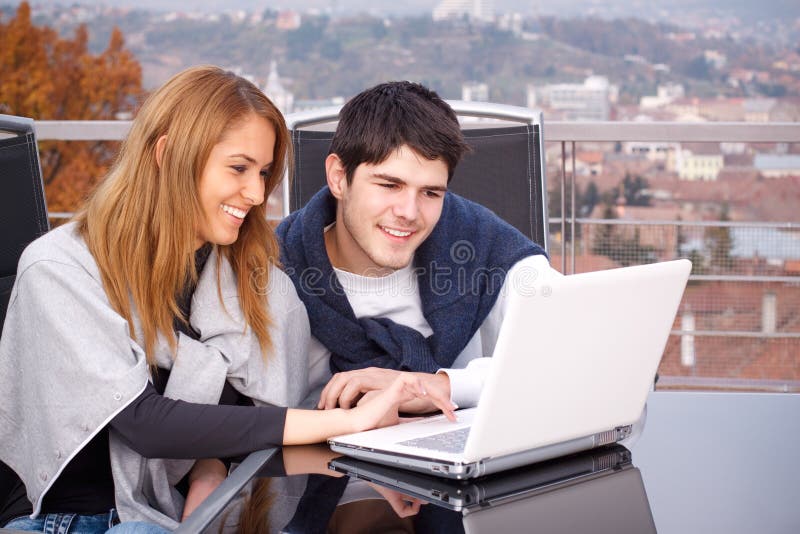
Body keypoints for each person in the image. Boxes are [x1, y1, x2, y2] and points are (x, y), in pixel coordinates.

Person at [0, 66, 452, 533]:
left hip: (175, 519)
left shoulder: (249, 284)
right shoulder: (58, 268)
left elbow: (244, 415)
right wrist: (346, 424)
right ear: (167, 154)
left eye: (263, 173)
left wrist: (209, 468)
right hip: (65, 521)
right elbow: (145, 423)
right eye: (239, 168)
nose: (257, 193)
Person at [276, 80, 559, 415]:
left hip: (468, 458)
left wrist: (442, 386)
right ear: (339, 177)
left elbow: (584, 354)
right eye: (389, 185)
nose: (409, 213)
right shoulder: (276, 272)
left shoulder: (485, 246)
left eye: (430, 193)